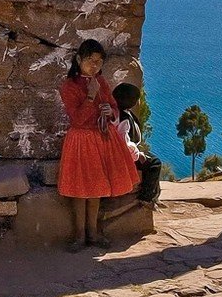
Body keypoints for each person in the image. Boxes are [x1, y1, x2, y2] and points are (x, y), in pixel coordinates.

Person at [58, 39, 140, 251]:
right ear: (79, 60)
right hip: (81, 139)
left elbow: (113, 106)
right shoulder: (69, 86)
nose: (94, 66)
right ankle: (79, 236)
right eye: (90, 61)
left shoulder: (101, 82)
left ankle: (92, 234)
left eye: (98, 61)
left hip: (100, 138)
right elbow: (77, 119)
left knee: (95, 189)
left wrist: (109, 112)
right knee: (79, 191)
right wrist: (91, 96)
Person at [111, 82, 162, 208]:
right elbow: (124, 143)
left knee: (152, 160)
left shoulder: (120, 113)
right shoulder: (123, 119)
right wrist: (138, 155)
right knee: (155, 163)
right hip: (126, 157)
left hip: (127, 153)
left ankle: (154, 194)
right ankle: (146, 197)